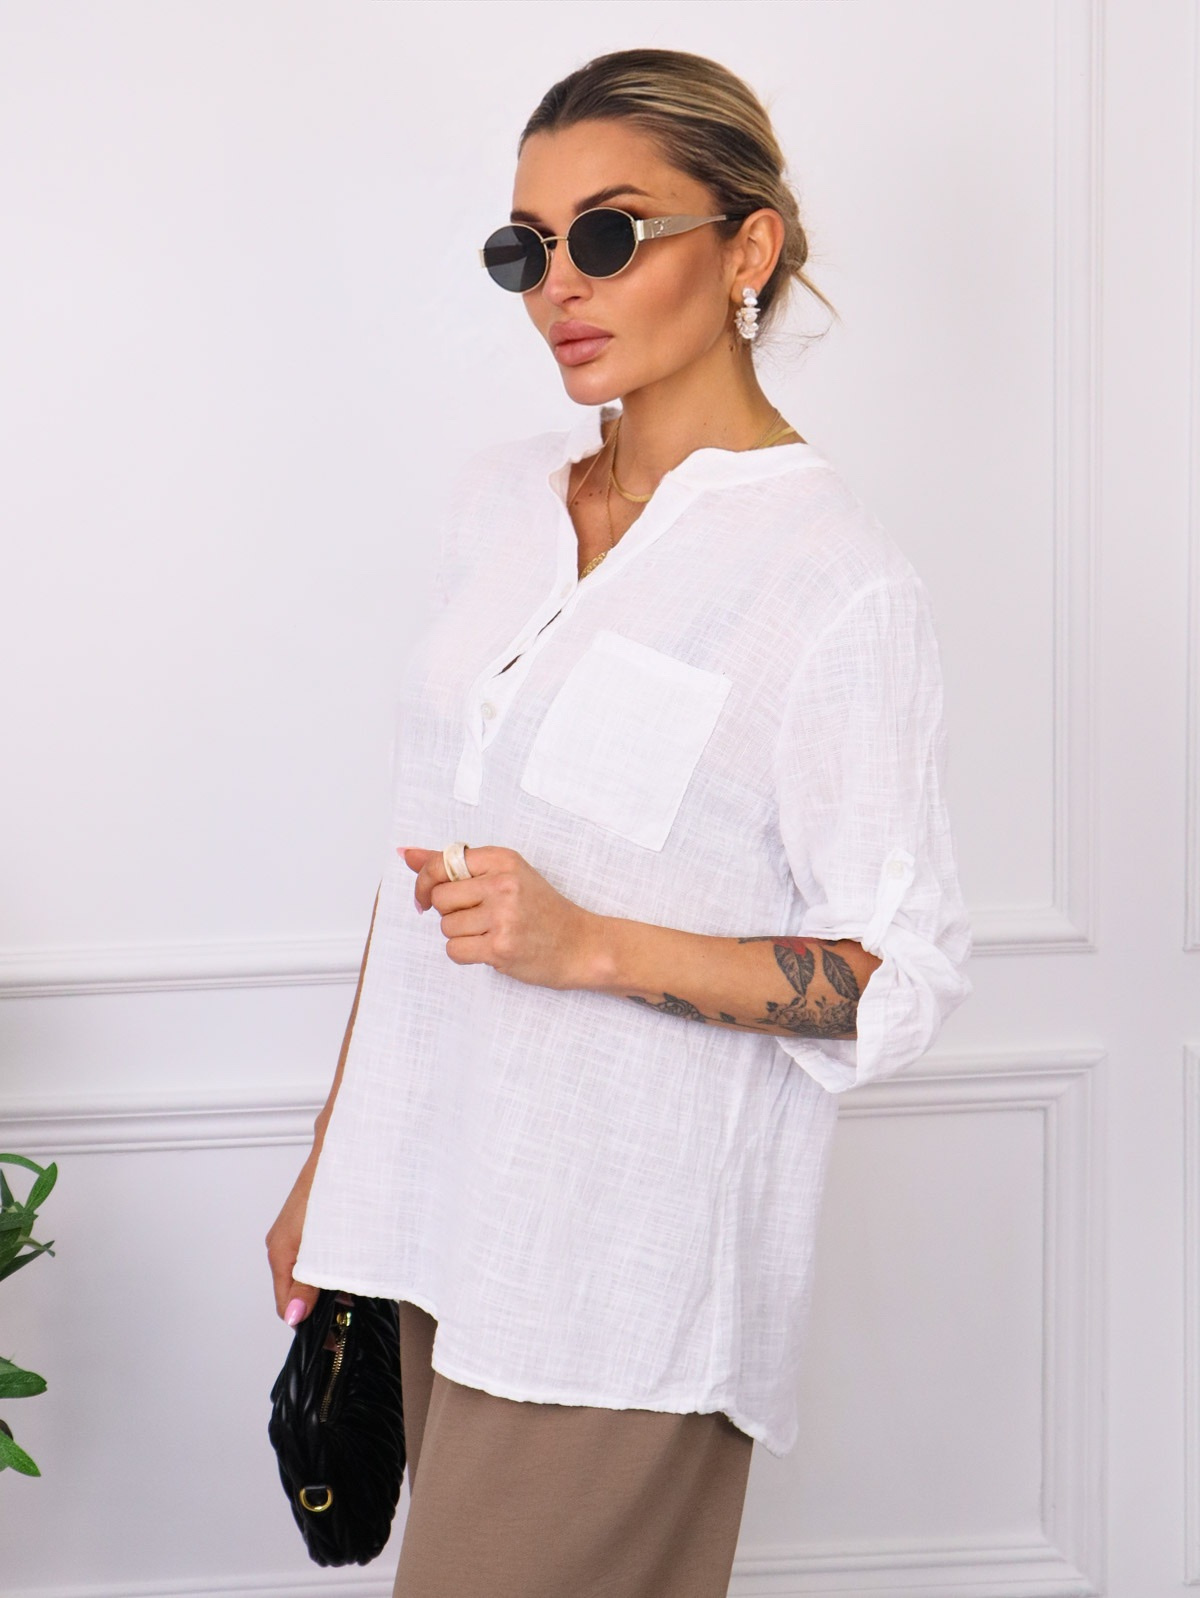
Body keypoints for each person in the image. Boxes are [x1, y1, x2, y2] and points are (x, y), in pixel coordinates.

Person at [265, 46, 972, 1598]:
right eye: (527, 247)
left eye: (610, 232)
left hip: (621, 1274)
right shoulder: (499, 502)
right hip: (431, 1209)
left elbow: (897, 977)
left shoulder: (833, 581)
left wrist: (589, 942)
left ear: (747, 246)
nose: (559, 288)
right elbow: (418, 869)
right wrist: (335, 1162)